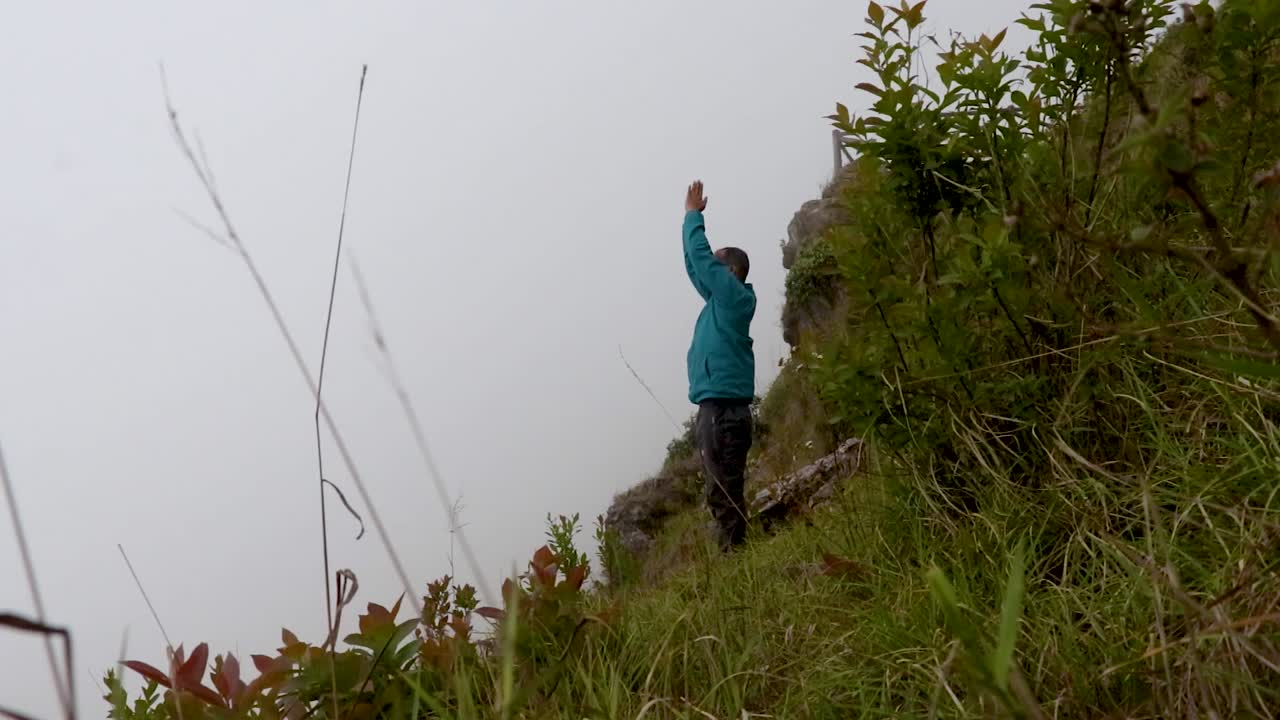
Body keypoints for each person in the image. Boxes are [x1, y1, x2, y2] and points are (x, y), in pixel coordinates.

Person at [681, 180, 756, 552]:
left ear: (731, 272)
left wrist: (693, 218)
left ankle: (736, 558)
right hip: (718, 407)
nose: (711, 268)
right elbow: (697, 268)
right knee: (722, 486)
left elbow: (703, 263)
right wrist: (688, 223)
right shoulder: (723, 302)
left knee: (722, 488)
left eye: (718, 263)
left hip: (724, 410)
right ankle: (736, 554)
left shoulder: (734, 298)